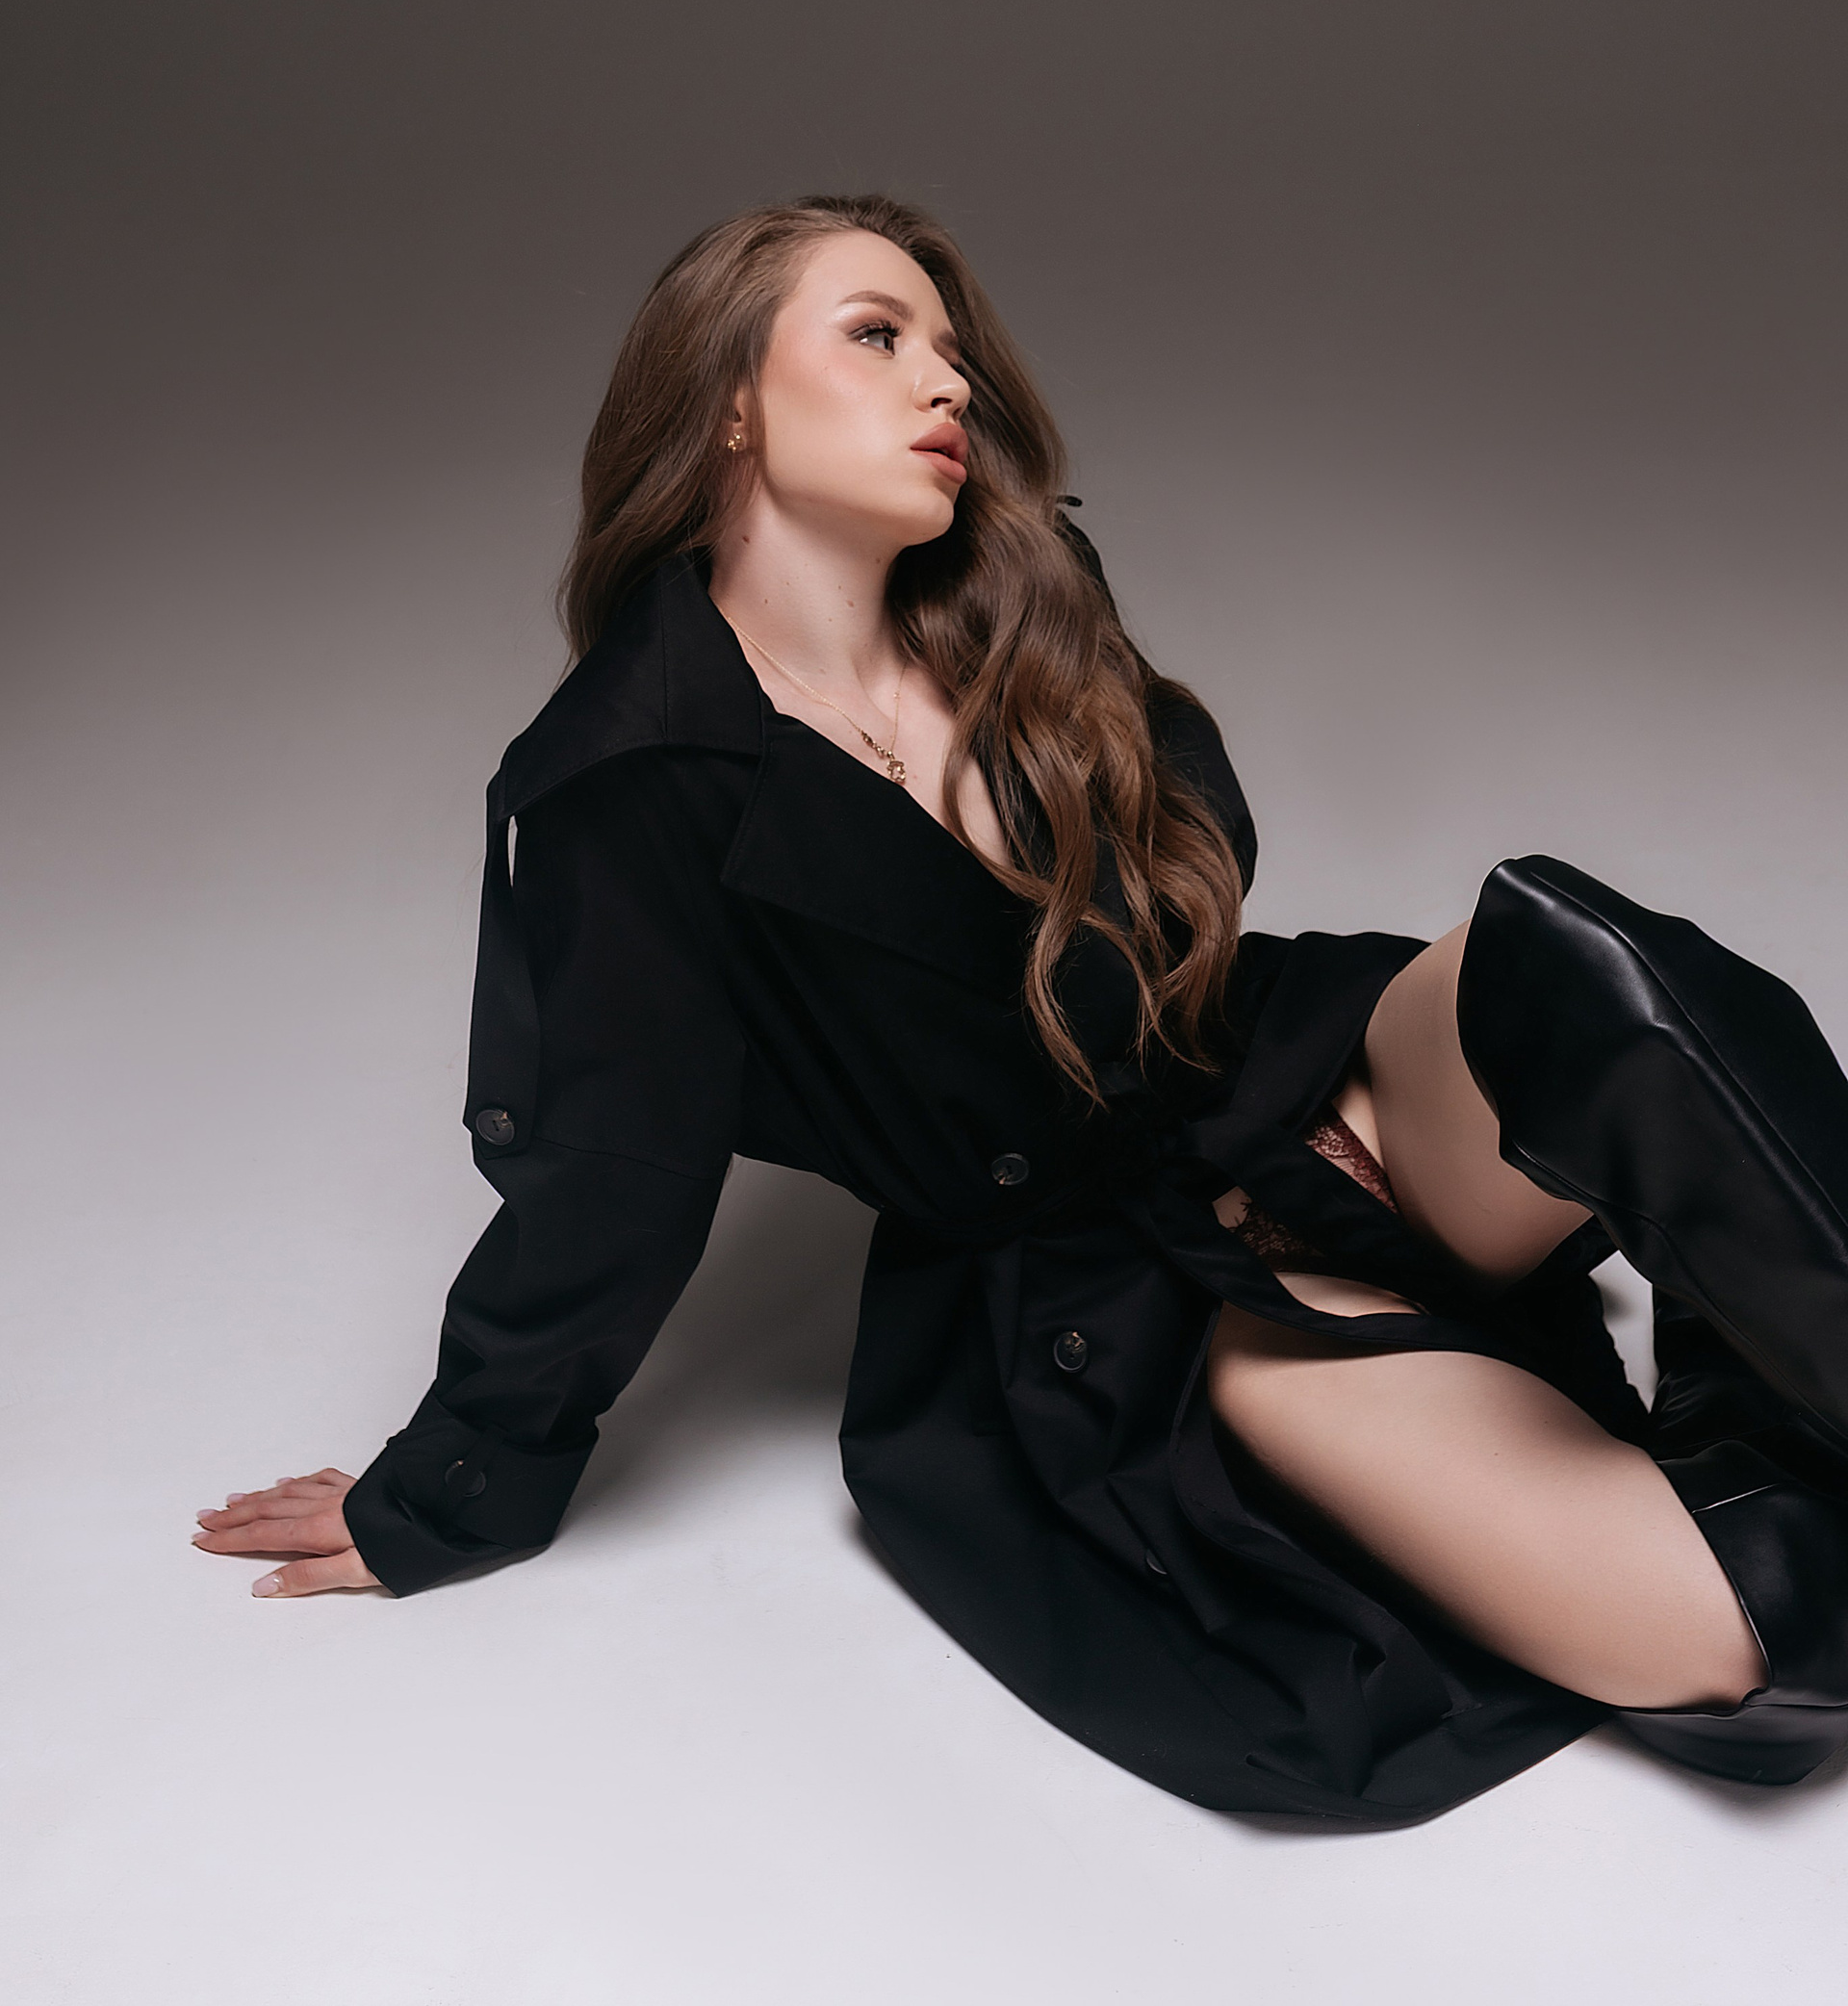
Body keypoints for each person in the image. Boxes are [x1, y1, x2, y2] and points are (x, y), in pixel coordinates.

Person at [192, 193, 1848, 1825]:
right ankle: (1732, 1375)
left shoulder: (1026, 595)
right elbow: (613, 1176)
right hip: (1122, 1291)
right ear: (729, 404)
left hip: (1290, 1075)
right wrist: (455, 1479)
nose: (950, 380)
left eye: (950, 345)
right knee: (1765, 1639)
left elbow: (1198, 868)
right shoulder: (635, 774)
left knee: (1568, 961)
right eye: (877, 334)